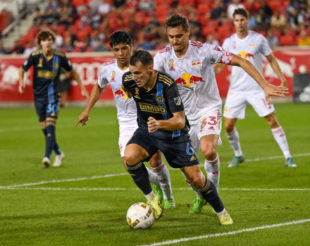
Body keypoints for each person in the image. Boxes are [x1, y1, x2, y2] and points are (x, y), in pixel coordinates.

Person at [154, 13, 288, 214]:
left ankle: (212, 193)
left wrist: (264, 85)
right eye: (171, 36)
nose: (175, 41)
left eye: (179, 36)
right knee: (185, 166)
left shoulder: (205, 51)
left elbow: (241, 61)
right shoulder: (162, 57)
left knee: (209, 151)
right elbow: (154, 84)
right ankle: (201, 196)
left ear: (188, 33)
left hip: (208, 108)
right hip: (182, 116)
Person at [122, 49, 233, 225]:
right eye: (131, 72)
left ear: (150, 69)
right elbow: (128, 90)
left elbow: (180, 121)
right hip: (147, 131)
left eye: (138, 73)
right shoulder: (128, 80)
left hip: (173, 135)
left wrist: (159, 124)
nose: (133, 77)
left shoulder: (167, 85)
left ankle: (221, 211)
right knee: (129, 157)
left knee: (196, 178)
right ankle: (152, 199)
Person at [75, 31, 175, 209]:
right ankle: (154, 191)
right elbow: (99, 87)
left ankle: (168, 197)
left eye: (124, 48)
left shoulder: (143, 66)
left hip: (147, 118)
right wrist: (86, 110)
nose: (121, 53)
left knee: (155, 161)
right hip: (126, 122)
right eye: (116, 49)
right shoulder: (107, 69)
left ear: (132, 46)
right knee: (129, 164)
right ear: (111, 50)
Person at [215, 8, 297, 168]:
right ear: (233, 23)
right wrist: (211, 71)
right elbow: (220, 64)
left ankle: (288, 156)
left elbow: (271, 59)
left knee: (272, 120)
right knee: (228, 126)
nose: (240, 23)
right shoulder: (228, 42)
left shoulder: (258, 39)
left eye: (242, 20)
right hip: (236, 89)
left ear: (247, 21)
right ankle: (238, 155)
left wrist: (282, 78)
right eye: (237, 20)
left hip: (257, 88)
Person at [19, 30, 89, 167]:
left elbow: (73, 71)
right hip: (38, 97)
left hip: (53, 96)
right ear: (40, 43)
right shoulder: (34, 56)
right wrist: (21, 81)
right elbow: (22, 68)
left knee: (51, 125)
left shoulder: (60, 56)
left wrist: (82, 88)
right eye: (45, 40)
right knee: (45, 128)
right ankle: (58, 153)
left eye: (50, 39)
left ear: (53, 42)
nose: (48, 42)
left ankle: (46, 157)